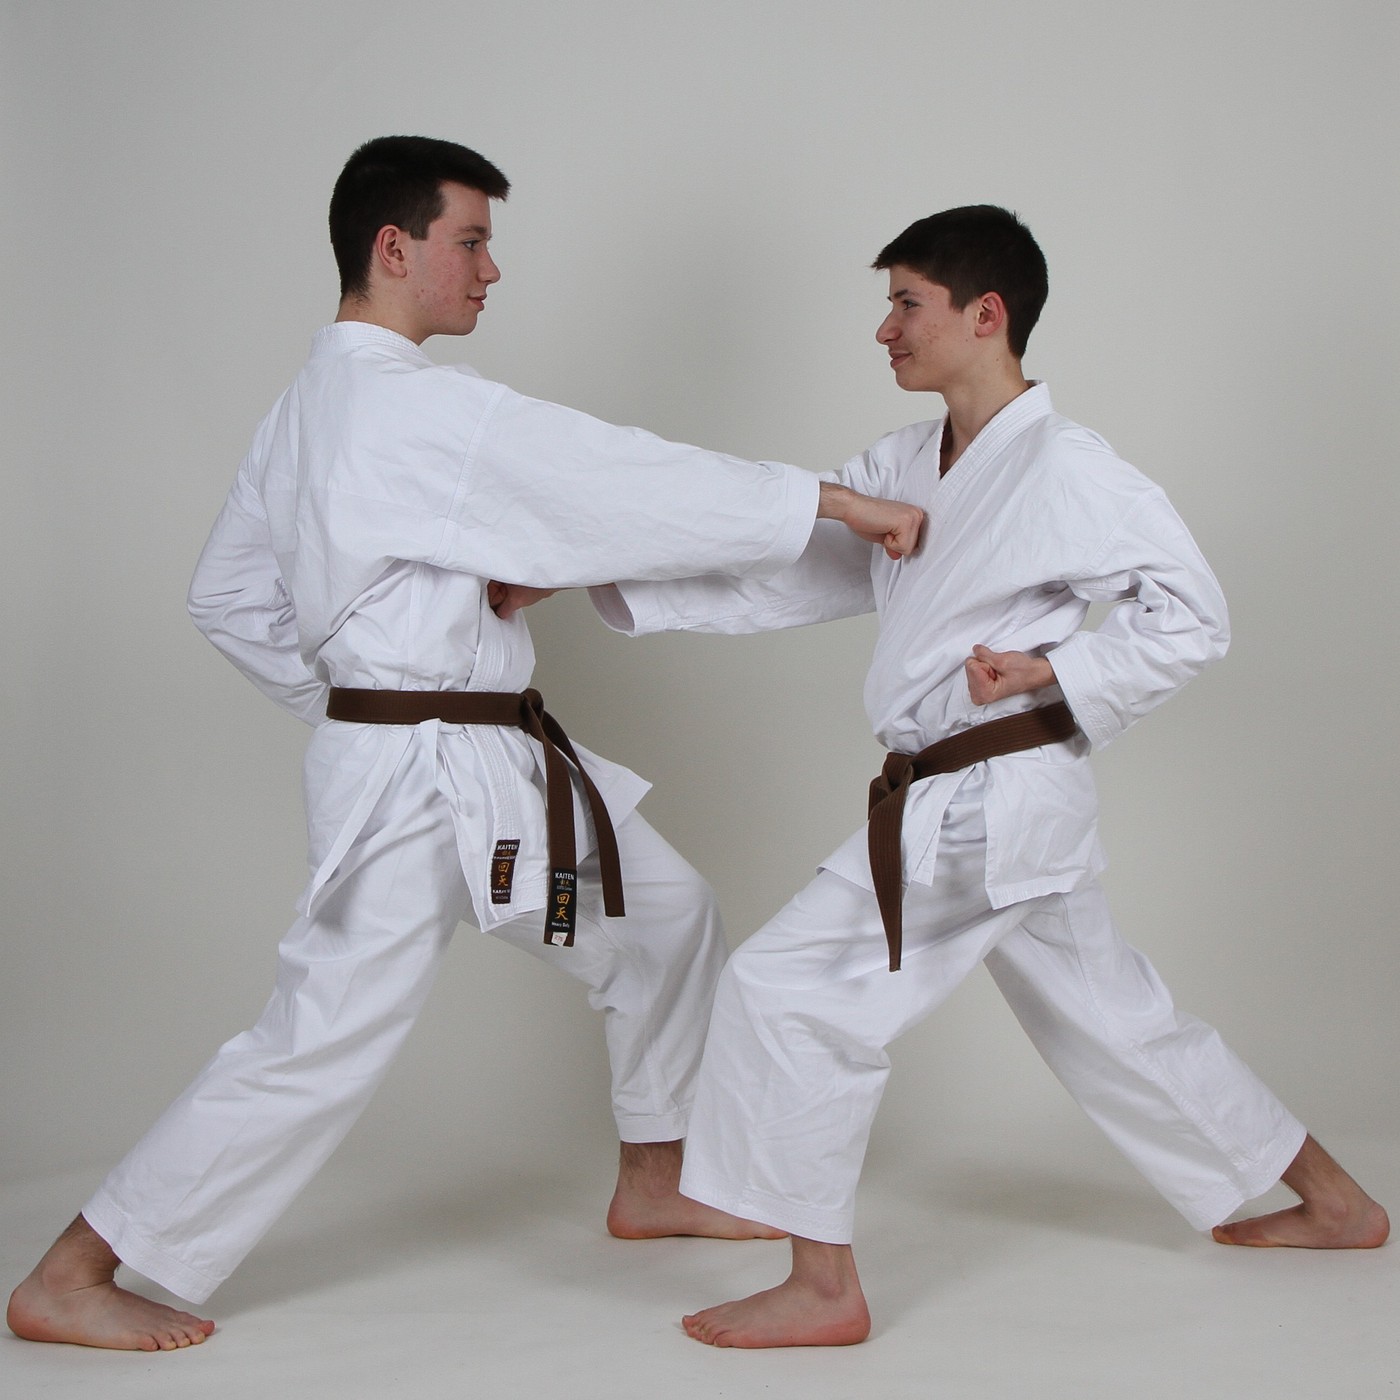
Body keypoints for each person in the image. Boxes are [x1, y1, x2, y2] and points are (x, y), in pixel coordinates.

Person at [5, 135, 922, 1353]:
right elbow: (619, 476)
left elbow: (224, 594)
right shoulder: (408, 402)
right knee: (319, 1036)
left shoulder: (307, 407)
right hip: (418, 783)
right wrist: (826, 500)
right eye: (472, 241)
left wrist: (360, 691)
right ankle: (73, 1270)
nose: (491, 270)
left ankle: (655, 1176)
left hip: (487, 767)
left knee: (665, 921)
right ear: (394, 247)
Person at [553, 205, 1389, 1347]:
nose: (884, 329)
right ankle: (1335, 1202)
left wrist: (1057, 668)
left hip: (989, 800)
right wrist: (599, 571)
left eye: (907, 303)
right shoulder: (904, 463)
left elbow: (1192, 616)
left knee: (785, 991)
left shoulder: (1066, 467)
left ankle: (823, 1284)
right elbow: (787, 561)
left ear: (985, 314)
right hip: (984, 804)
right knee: (1120, 1021)